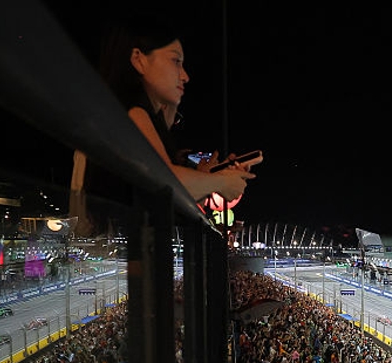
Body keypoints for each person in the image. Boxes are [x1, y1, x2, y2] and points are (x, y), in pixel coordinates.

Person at [74, 13, 256, 235]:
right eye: (175, 61)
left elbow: (157, 190)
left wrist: (205, 179)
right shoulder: (133, 112)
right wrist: (220, 182)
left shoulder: (116, 112)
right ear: (139, 59)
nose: (185, 76)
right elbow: (162, 185)